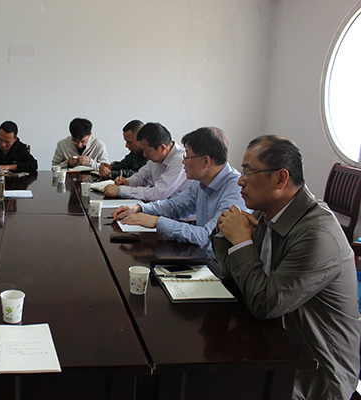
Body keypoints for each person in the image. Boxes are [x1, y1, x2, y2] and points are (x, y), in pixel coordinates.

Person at [212, 135, 361, 399]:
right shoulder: (265, 212)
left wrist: (242, 242)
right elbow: (234, 278)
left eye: (248, 172)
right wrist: (227, 233)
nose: (240, 181)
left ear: (280, 179)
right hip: (275, 342)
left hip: (317, 373)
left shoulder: (317, 235)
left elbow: (265, 305)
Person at [112, 127, 246, 251]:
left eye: (187, 156)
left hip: (217, 264)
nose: (183, 161)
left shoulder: (236, 189)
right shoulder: (200, 183)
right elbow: (174, 206)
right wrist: (139, 208)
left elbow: (208, 237)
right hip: (201, 255)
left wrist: (156, 222)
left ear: (206, 161)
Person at [104, 122, 191, 202]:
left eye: (146, 150)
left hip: (176, 212)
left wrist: (120, 191)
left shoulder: (180, 161)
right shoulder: (156, 157)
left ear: (162, 148)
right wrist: (127, 182)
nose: (144, 155)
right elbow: (142, 176)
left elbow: (157, 194)